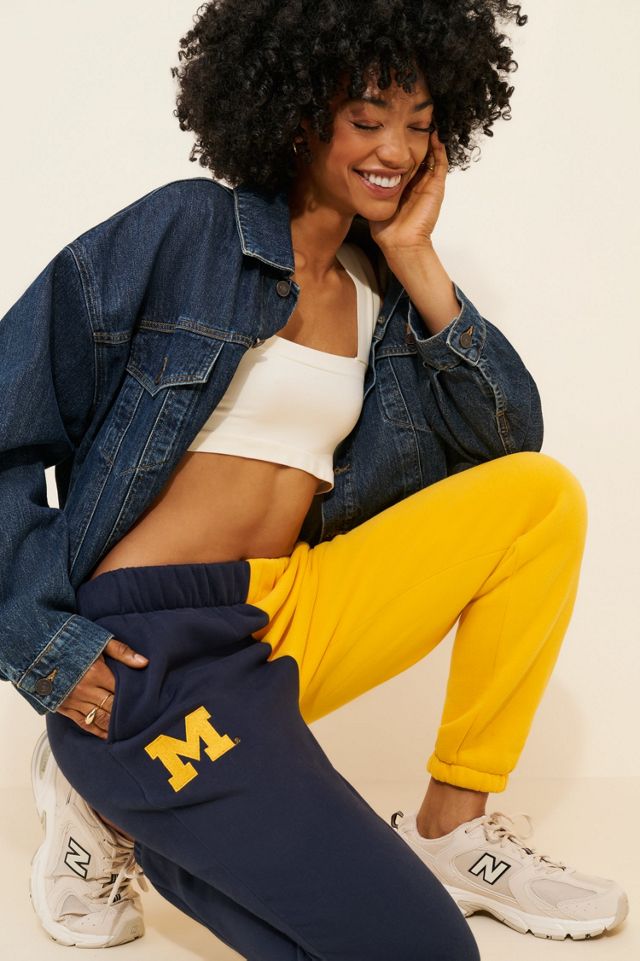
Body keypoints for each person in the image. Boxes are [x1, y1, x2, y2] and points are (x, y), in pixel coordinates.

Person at [1, 0, 629, 957]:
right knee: (426, 949)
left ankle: (452, 830)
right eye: (367, 119)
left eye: (419, 125)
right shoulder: (187, 230)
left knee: (539, 498)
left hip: (285, 611)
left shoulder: (378, 289)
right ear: (297, 113)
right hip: (152, 645)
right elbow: (10, 417)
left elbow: (507, 438)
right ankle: (106, 792)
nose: (397, 151)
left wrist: (414, 255)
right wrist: (45, 645)